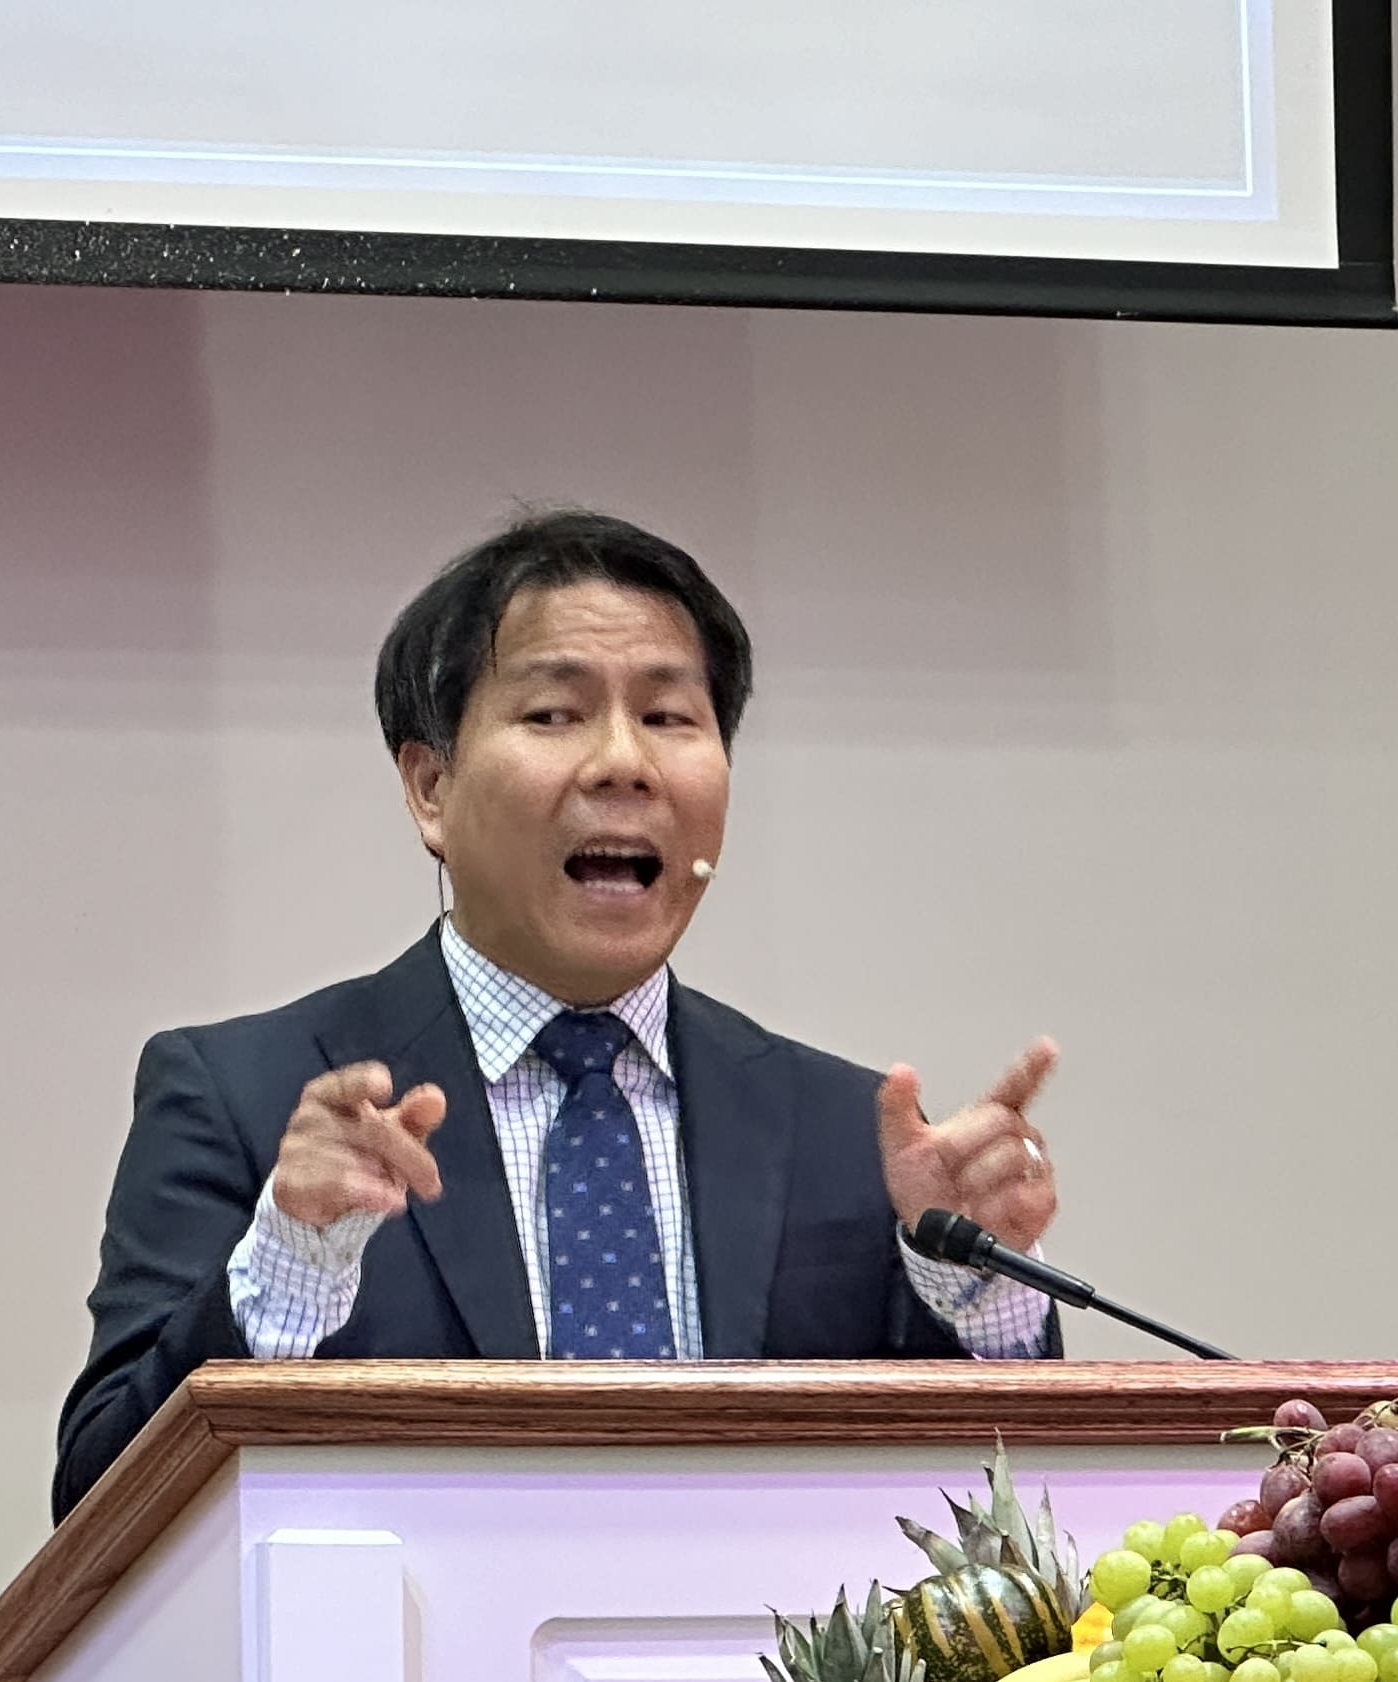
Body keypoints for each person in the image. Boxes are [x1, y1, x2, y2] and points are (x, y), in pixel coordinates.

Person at [54, 509, 1070, 1515]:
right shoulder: (244, 1101)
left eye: (669, 718)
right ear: (431, 789)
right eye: (553, 715)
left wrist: (977, 1290)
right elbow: (100, 1503)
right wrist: (289, 1259)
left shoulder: (852, 1132)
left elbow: (994, 1523)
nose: (624, 762)